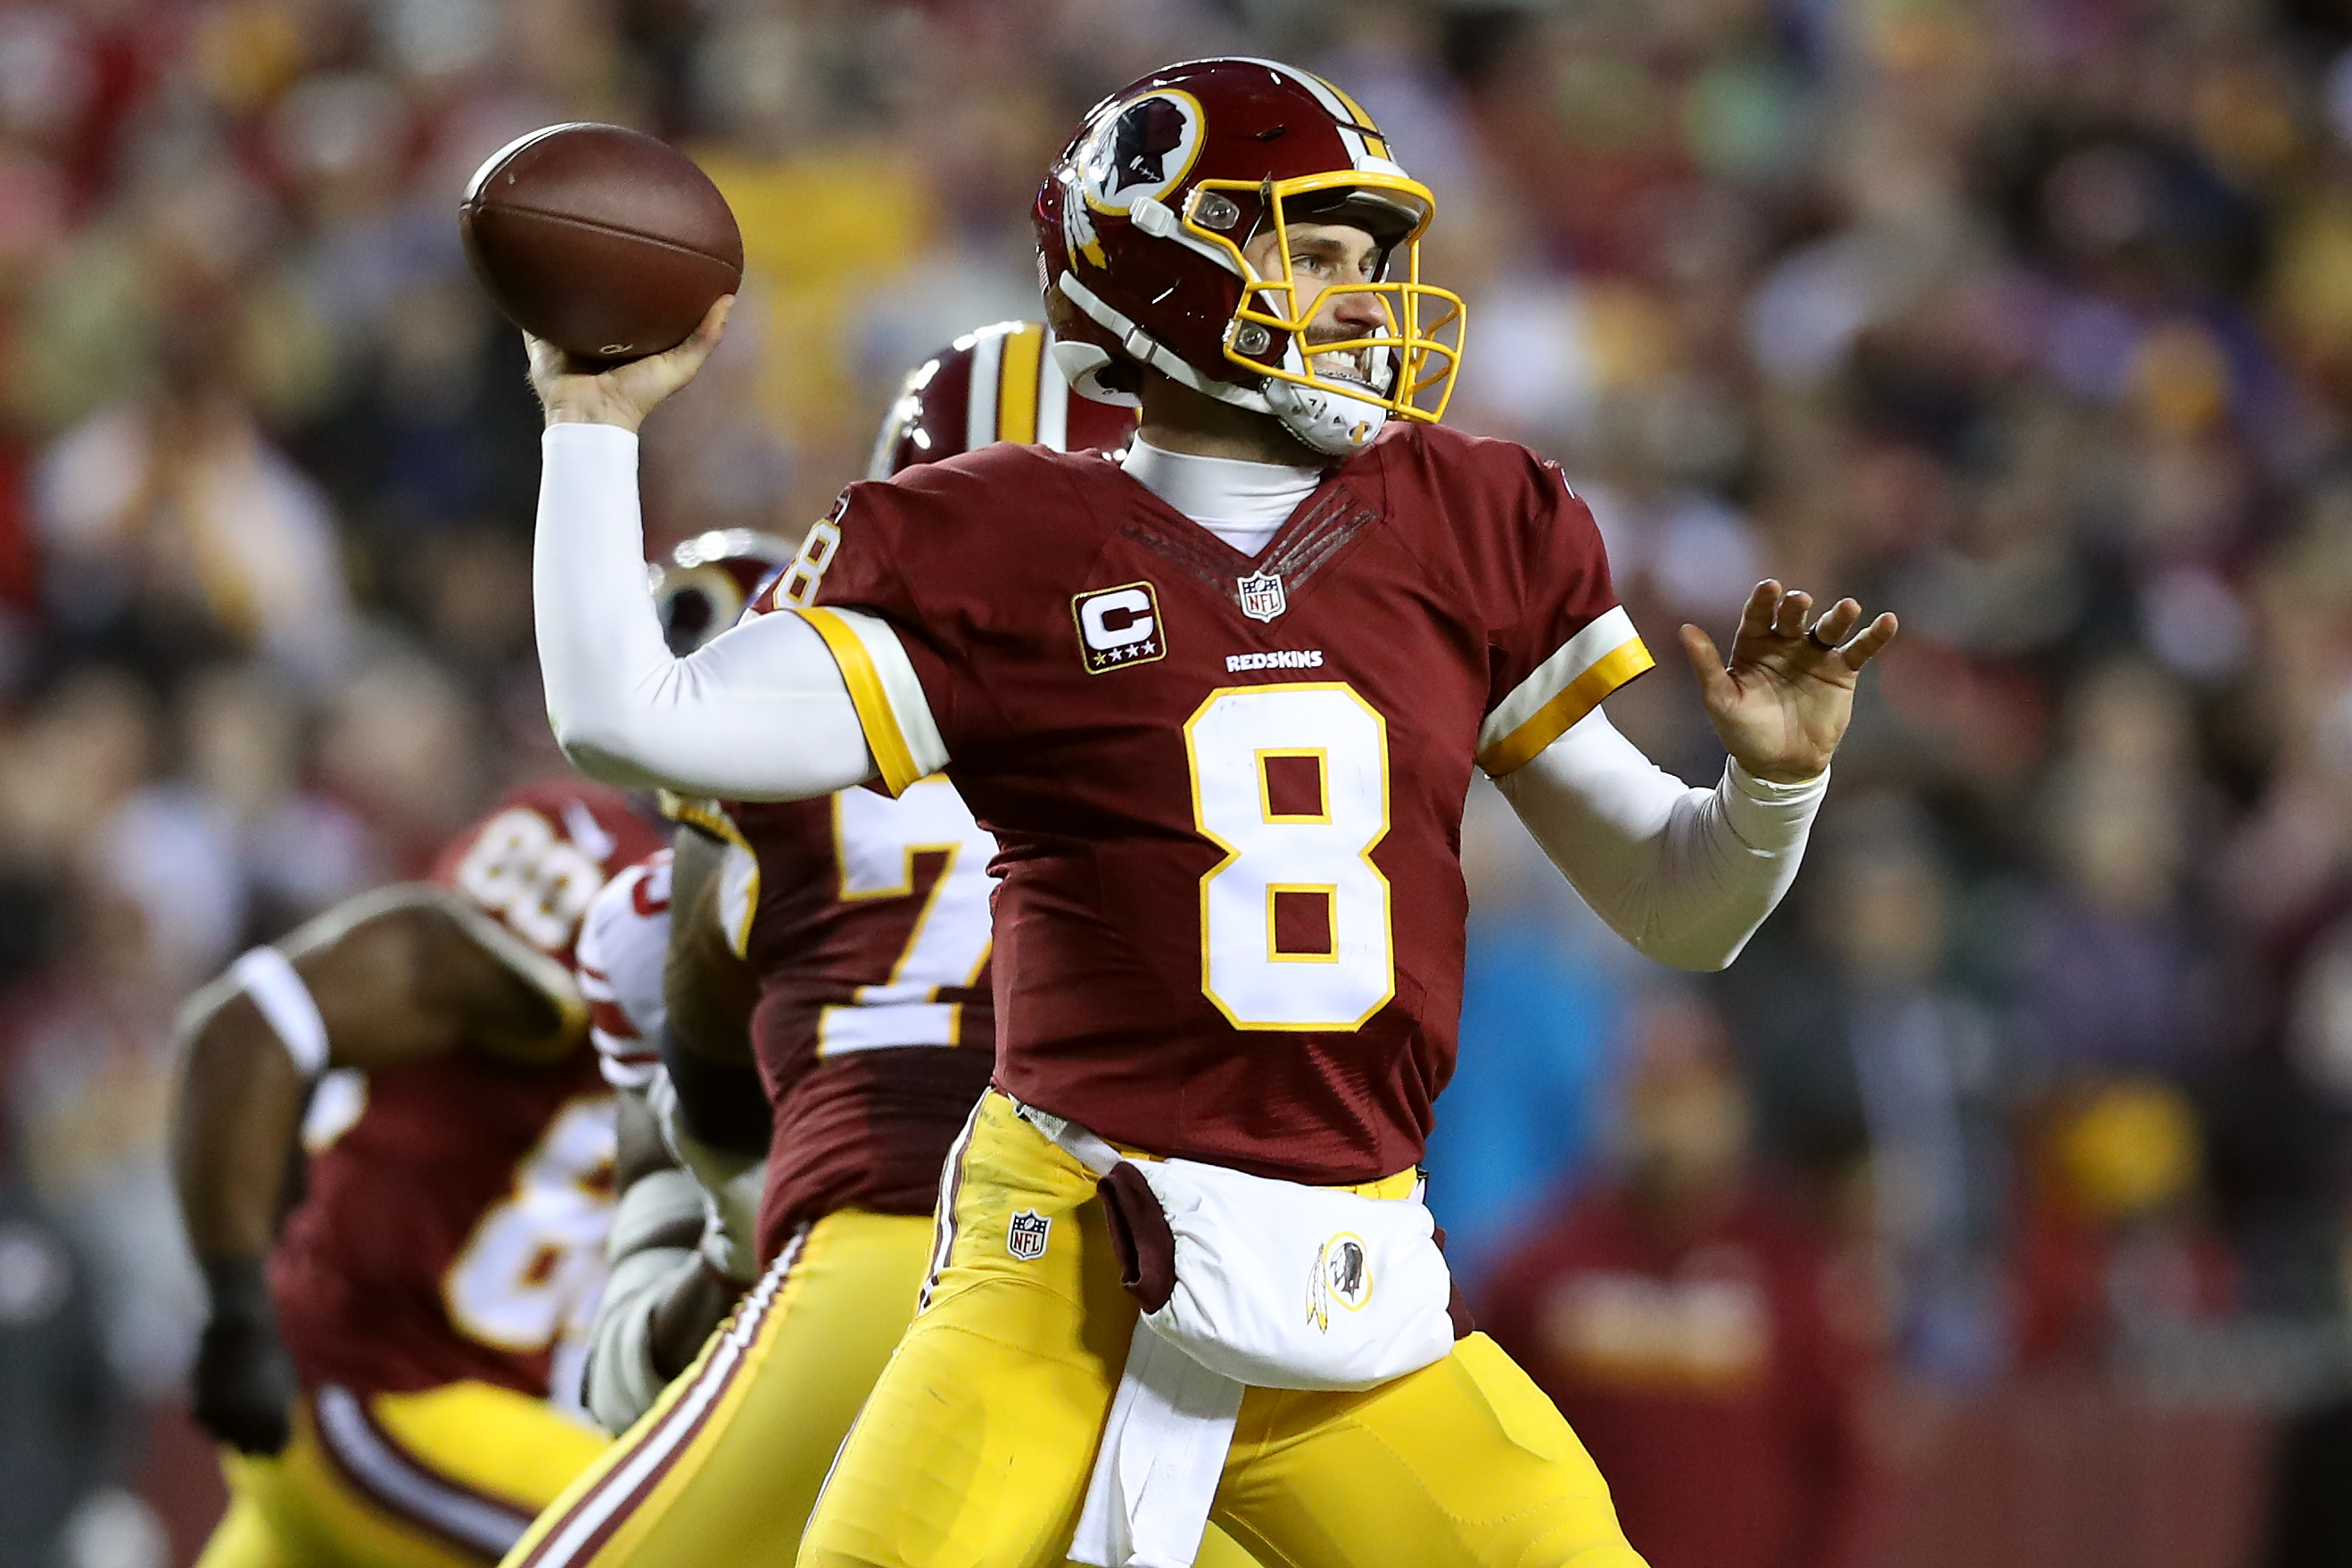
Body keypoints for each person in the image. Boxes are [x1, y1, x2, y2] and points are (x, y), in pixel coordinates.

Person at [524, 57, 1896, 1568]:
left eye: (1373, 260)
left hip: (1349, 1293)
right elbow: (628, 717)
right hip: (1056, 1277)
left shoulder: (1466, 522)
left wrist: (1773, 779)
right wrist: (590, 421)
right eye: (1314, 250)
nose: (1367, 297)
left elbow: (1677, 907)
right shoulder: (1003, 541)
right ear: (1163, 256)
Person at [505, 321, 1251, 1568]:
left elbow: (690, 1002)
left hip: (887, 1229)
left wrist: (718, 1206)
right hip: (1161, 1290)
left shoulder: (781, 724)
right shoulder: (1246, 706)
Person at [172, 776, 663, 1567]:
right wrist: (234, 1307)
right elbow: (246, 1027)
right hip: (389, 1387)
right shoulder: (601, 872)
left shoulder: (769, 893)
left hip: (439, 1392)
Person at [1480, 992, 1875, 1568]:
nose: (1667, 1123)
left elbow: (1841, 1468)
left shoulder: (1794, 1274)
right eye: (1648, 1095)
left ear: (1732, 1104)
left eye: (1688, 1095)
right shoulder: (1540, 1268)